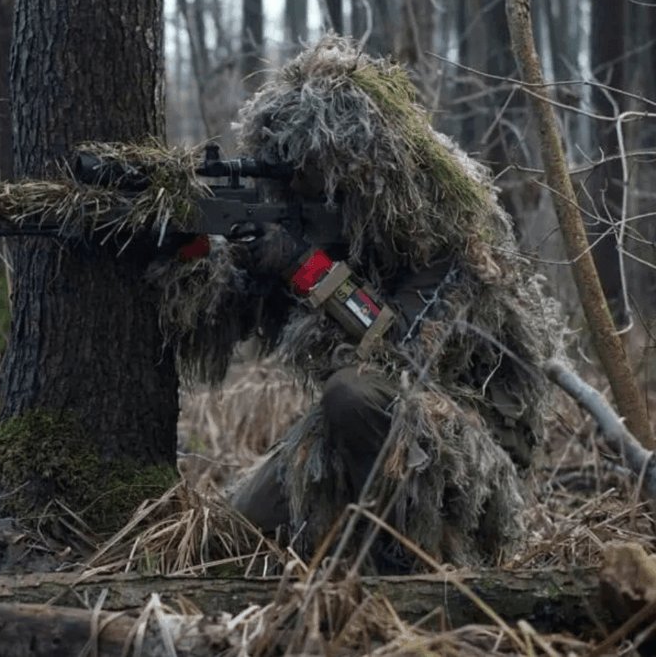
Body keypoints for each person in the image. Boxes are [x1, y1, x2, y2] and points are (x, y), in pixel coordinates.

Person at [149, 35, 567, 570]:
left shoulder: (449, 232)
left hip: (467, 446)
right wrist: (194, 246)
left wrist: (302, 264)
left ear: (363, 170)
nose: (305, 194)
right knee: (233, 537)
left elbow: (401, 348)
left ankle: (413, 568)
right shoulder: (322, 223)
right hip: (358, 429)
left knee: (353, 393)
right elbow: (224, 318)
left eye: (318, 179)